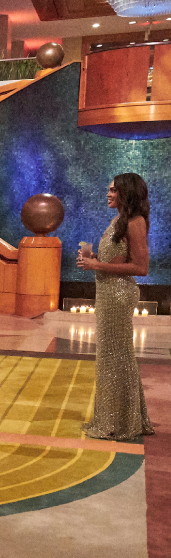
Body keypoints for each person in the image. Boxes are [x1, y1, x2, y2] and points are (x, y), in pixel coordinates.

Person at [77, 173, 154, 441]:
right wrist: (95, 257)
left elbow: (141, 268)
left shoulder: (135, 222)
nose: (108, 194)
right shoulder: (118, 220)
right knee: (112, 358)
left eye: (113, 190)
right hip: (108, 293)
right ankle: (119, 419)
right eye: (109, 189)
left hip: (119, 296)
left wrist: (96, 265)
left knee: (116, 358)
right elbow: (119, 259)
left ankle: (117, 424)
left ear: (126, 193)